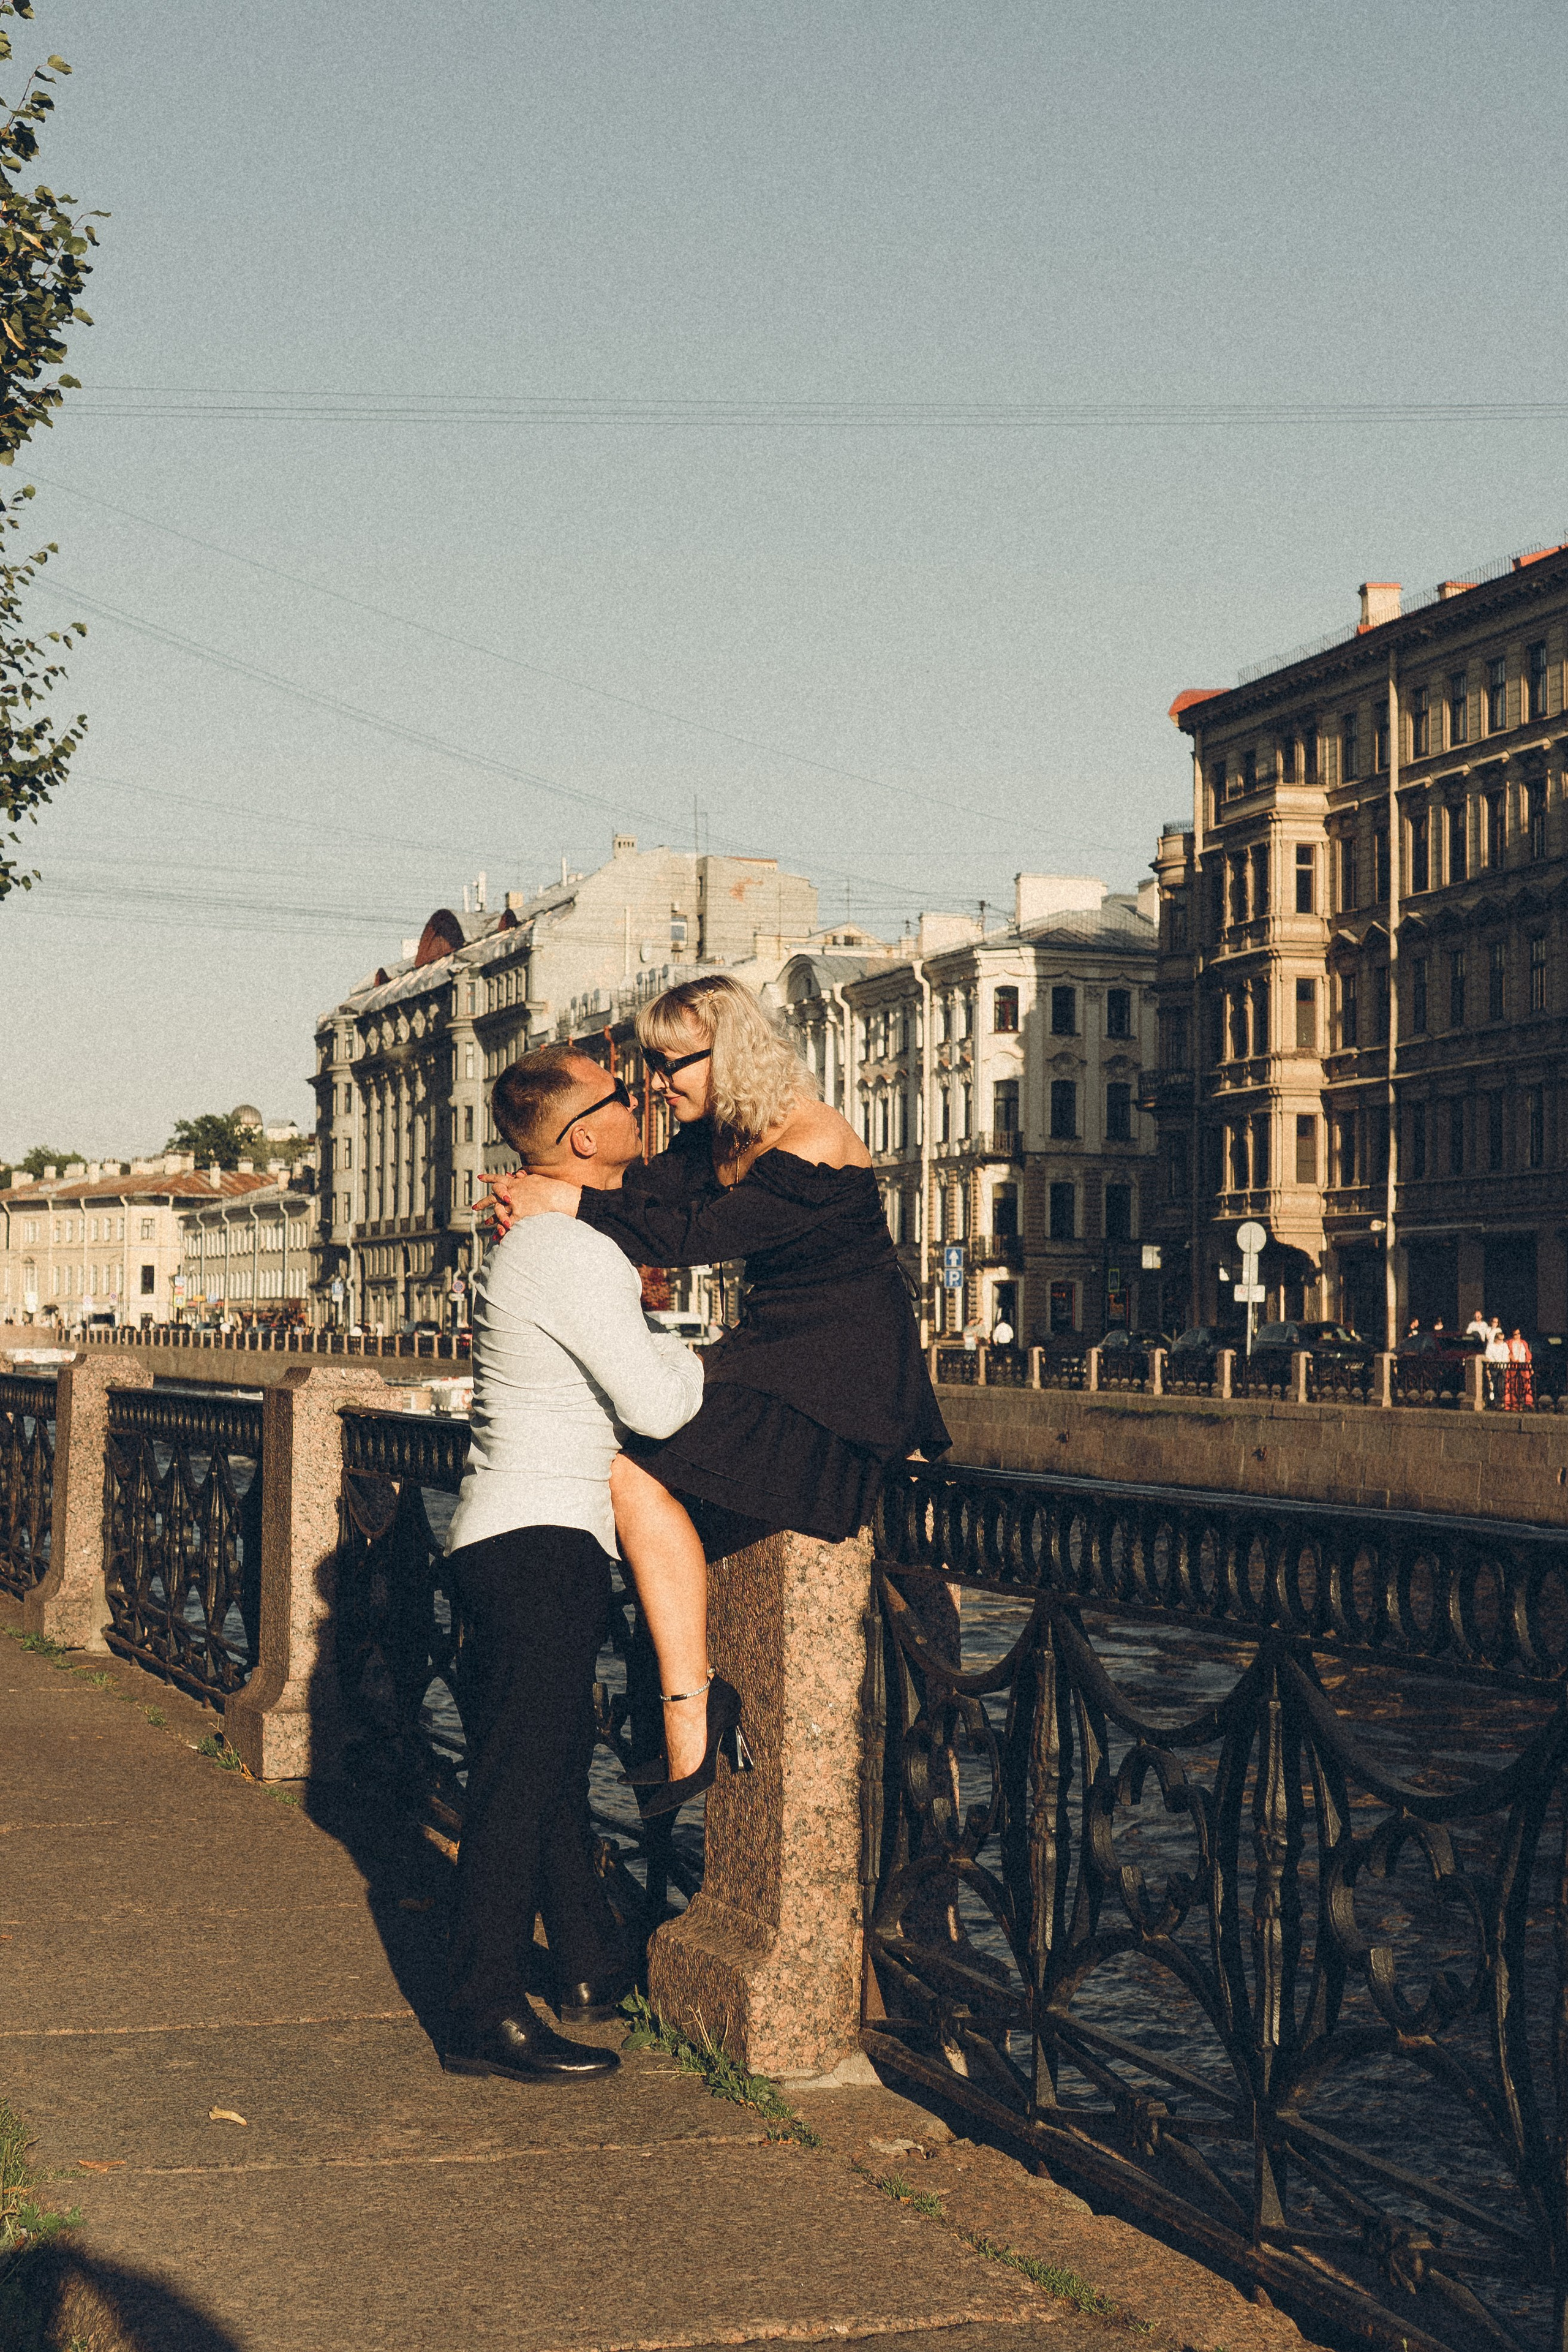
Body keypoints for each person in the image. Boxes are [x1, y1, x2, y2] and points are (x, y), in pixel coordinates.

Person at [488, 974, 949, 1805]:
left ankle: (686, 1714)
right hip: (772, 1358)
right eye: (651, 1069)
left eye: (672, 1065)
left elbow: (691, 1237)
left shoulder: (812, 1140)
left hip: (844, 1382)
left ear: (728, 1050)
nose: (659, 1087)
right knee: (630, 1462)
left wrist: (563, 1204)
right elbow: (637, 1197)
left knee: (635, 1472)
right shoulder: (713, 1141)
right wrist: (547, 1200)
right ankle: (683, 1706)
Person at [441, 1048, 706, 2087]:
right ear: (586, 1136)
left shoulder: (547, 1247)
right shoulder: (568, 1252)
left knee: (545, 1776)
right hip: (545, 1542)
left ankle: (590, 1965)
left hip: (505, 1539)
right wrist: (700, 1351)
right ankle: (481, 2008)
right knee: (521, 1783)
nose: (641, 1103)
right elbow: (658, 1405)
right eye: (621, 1096)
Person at [1505, 1327, 1535, 1413]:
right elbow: (1508, 1353)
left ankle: (1526, 1404)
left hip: (1524, 1366)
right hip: (1514, 1366)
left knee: (1525, 1384)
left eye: (1519, 1334)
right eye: (1515, 1334)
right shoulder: (1509, 1343)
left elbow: (1528, 1356)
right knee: (1513, 1385)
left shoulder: (1524, 1343)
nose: (1517, 1336)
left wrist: (1530, 1368)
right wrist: (1513, 1359)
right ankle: (1514, 1405)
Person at [1485, 1316, 1510, 1408]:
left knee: (1502, 1385)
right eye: (1500, 1339)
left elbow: (1506, 1355)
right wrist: (1495, 1363)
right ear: (1496, 1339)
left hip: (1502, 1367)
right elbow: (1489, 1356)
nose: (1502, 1341)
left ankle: (1501, 1402)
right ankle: (1493, 1403)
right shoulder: (1491, 1346)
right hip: (1494, 1368)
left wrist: (1503, 1363)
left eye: (1503, 1339)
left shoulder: (1504, 1345)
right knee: (1494, 1384)